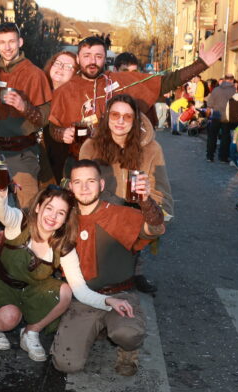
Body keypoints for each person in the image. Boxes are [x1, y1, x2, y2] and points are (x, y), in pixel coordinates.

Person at [0, 184, 134, 362]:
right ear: (38, 207)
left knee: (65, 291)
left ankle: (31, 332)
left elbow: (80, 290)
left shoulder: (63, 246)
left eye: (61, 213)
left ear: (65, 219)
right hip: (0, 283)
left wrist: (109, 300)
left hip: (29, 289)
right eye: (49, 208)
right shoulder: (20, 222)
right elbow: (2, 212)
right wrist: (2, 192)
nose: (53, 216)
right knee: (10, 318)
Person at [51, 160, 165, 377]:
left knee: (128, 333)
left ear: (101, 185)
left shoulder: (118, 214)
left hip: (120, 294)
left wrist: (146, 201)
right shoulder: (64, 217)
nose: (84, 188)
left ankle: (128, 348)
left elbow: (155, 228)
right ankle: (96, 328)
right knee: (66, 363)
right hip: (83, 298)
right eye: (78, 182)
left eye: (91, 181)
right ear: (70, 186)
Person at [49, 35, 223, 155]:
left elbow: (166, 82)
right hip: (79, 162)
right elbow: (53, 127)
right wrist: (62, 133)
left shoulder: (121, 80)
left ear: (105, 59)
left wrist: (201, 64)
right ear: (78, 59)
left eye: (98, 56)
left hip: (116, 161)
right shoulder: (65, 91)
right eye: (86, 56)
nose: (92, 61)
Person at [78, 93, 172, 294]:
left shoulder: (151, 149)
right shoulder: (91, 146)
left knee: (145, 224)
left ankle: (136, 272)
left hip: (135, 213)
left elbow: (162, 190)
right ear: (107, 117)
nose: (120, 121)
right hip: (101, 214)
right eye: (115, 115)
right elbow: (80, 185)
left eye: (127, 116)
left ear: (135, 119)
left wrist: (150, 202)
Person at [0, 22, 52, 211]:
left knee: (28, 208)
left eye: (12, 41)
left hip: (22, 153)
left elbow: (44, 118)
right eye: (2, 42)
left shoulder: (34, 74)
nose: (7, 47)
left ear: (20, 42)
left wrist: (24, 107)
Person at [40, 51, 77, 185]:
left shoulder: (75, 100)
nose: (61, 68)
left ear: (75, 73)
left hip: (59, 161)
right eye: (58, 63)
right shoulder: (39, 91)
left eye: (68, 66)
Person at [205, 75, 237, 163]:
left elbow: (209, 104)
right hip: (227, 117)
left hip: (216, 115)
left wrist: (208, 114)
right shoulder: (233, 91)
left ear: (224, 80)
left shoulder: (216, 89)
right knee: (225, 138)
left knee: (212, 136)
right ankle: (223, 157)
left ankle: (210, 156)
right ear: (232, 80)